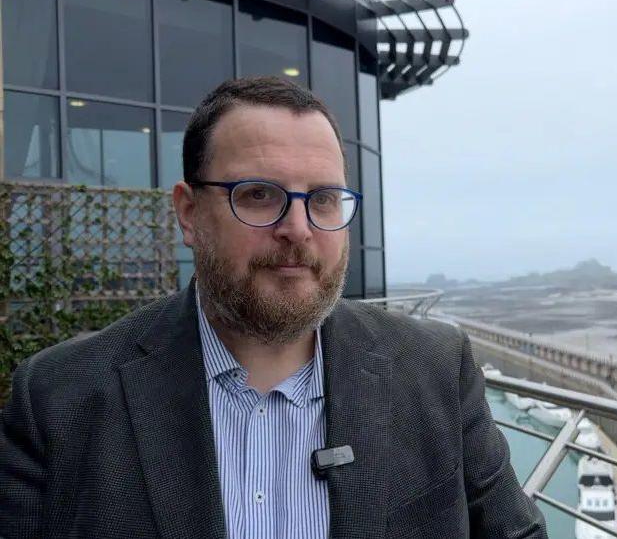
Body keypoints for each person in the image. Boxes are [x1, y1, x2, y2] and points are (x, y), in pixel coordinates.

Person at [0, 76, 547, 539]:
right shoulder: (59, 400)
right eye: (259, 195)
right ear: (189, 214)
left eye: (324, 199)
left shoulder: (432, 369)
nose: (298, 230)